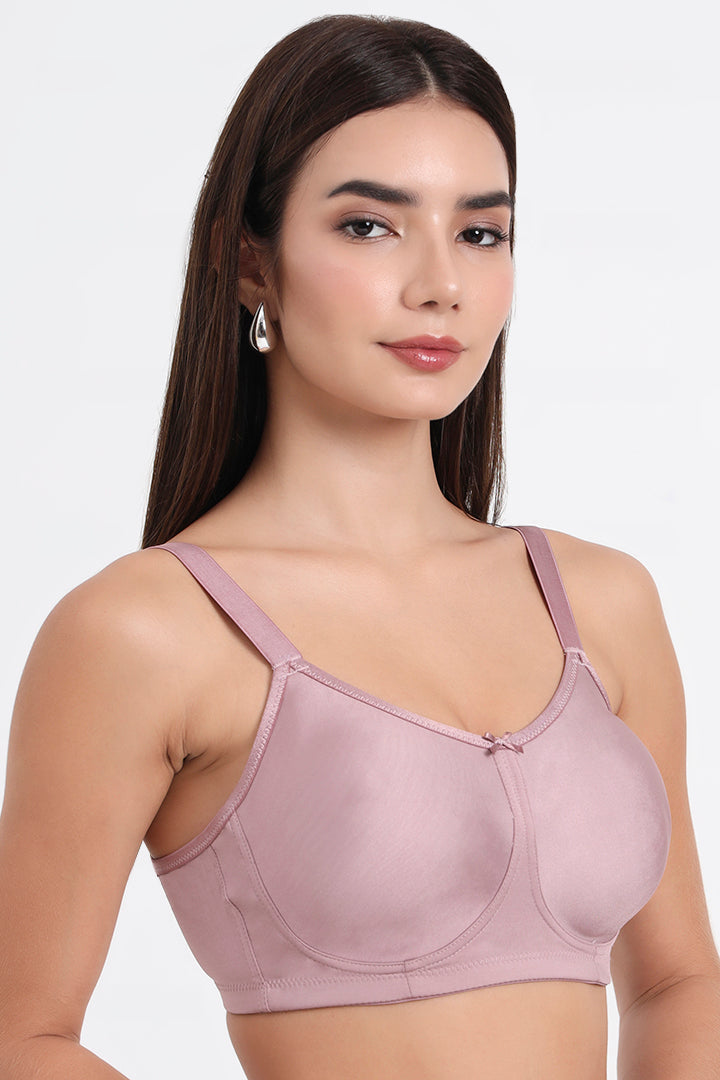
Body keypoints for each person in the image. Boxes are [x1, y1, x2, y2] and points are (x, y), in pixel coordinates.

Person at [1, 12, 718, 1079]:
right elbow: (21, 1038)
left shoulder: (601, 600)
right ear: (250, 261)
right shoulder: (146, 630)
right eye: (370, 226)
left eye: (480, 232)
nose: (440, 284)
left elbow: (677, 981)